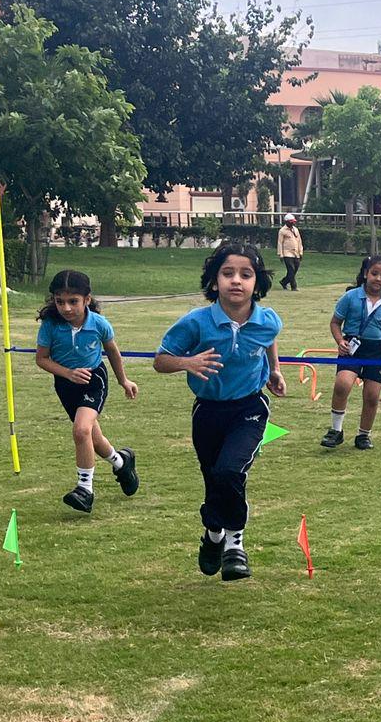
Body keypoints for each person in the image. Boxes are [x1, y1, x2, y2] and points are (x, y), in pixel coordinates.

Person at [154, 242, 286, 581]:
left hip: (249, 408)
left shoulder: (267, 320)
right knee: (214, 479)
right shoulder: (196, 323)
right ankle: (212, 535)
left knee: (230, 472)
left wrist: (274, 370)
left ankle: (235, 545)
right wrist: (187, 361)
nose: (236, 281)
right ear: (214, 282)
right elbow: (160, 360)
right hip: (208, 412)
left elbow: (268, 337)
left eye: (246, 274)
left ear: (257, 283)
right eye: (228, 274)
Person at [34, 269, 140, 512]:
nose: (66, 308)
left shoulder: (99, 324)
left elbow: (112, 351)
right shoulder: (51, 325)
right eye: (60, 302)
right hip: (65, 384)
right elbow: (42, 359)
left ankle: (85, 489)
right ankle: (121, 462)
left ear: (87, 300)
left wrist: (124, 380)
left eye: (73, 301)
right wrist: (67, 373)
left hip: (94, 379)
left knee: (81, 430)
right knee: (92, 437)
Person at [321, 256, 381, 451]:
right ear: (366, 274)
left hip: (377, 351)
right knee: (342, 384)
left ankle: (363, 435)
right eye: (374, 273)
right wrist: (340, 341)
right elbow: (335, 322)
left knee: (372, 396)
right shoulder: (350, 297)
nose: (378, 278)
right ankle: (336, 431)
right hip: (352, 347)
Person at [277, 214, 304, 291]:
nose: (293, 223)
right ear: (286, 222)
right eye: (291, 222)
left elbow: (299, 241)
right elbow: (280, 243)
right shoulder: (282, 231)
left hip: (296, 253)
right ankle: (294, 286)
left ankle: (284, 282)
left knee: (295, 270)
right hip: (287, 253)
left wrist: (301, 252)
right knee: (291, 270)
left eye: (293, 222)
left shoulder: (295, 229)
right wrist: (280, 254)